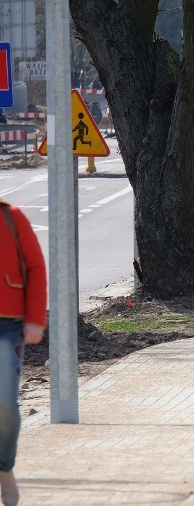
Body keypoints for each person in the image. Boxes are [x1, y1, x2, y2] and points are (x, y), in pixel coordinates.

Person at [1, 198, 47, 506]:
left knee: (4, 403)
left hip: (7, 325)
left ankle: (4, 469)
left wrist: (34, 320)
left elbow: (35, 267)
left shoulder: (11, 217)